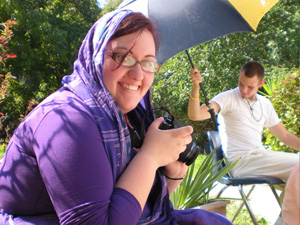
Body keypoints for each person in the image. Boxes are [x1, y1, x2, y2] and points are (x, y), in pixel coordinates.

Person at [0, 10, 233, 225]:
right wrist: (150, 158)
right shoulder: (66, 120)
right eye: (123, 57)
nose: (138, 74)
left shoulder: (131, 117)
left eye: (148, 62)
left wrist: (173, 174)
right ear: (96, 55)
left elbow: (136, 207)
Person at [188, 61, 299, 183]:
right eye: (241, 84)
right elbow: (195, 115)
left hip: (260, 156)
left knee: (295, 177)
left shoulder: (264, 103)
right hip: (241, 163)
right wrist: (195, 87)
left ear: (261, 84)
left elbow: (285, 136)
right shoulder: (227, 98)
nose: (244, 90)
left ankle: (288, 203)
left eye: (250, 87)